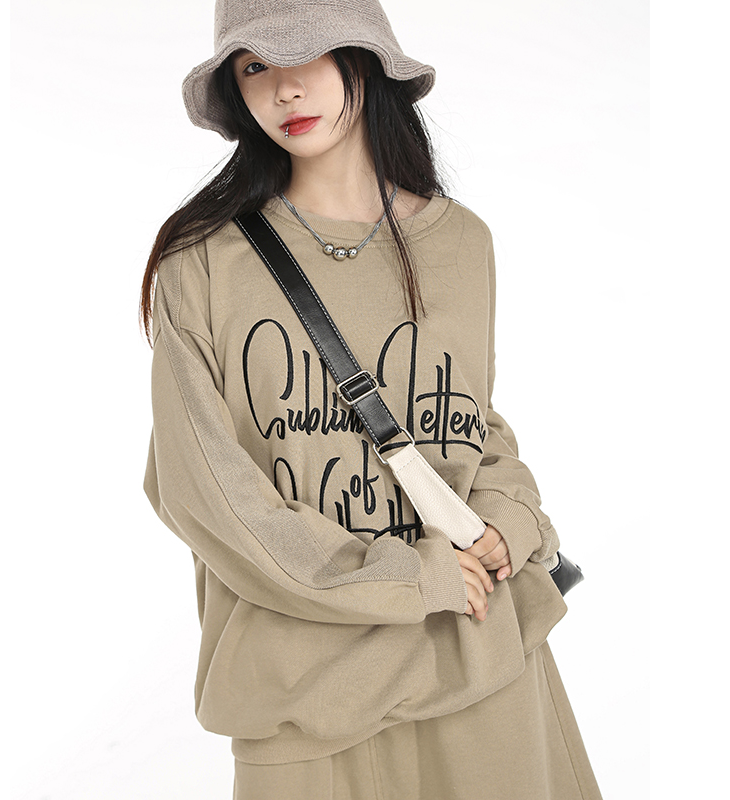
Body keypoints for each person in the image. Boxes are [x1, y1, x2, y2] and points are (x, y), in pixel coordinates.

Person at [141, 1, 603, 797]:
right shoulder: (203, 260)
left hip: (481, 658)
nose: (284, 88)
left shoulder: (462, 242)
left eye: (308, 53)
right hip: (306, 692)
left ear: (366, 57)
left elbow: (472, 422)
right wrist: (407, 578)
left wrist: (510, 519)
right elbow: (200, 491)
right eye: (254, 66)